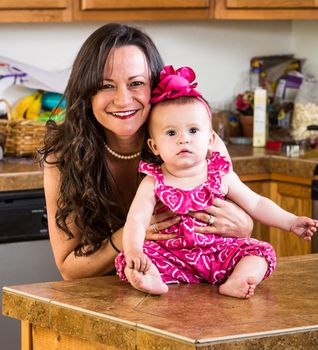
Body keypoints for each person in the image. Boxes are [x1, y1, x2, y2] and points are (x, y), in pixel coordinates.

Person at [39, 23, 253, 281]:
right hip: (106, 297)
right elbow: (69, 269)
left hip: (193, 292)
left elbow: (237, 227)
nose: (123, 99)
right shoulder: (64, 156)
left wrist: (245, 226)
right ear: (87, 93)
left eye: (136, 83)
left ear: (155, 86)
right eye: (106, 86)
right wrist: (131, 233)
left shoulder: (198, 144)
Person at [115, 65, 317, 298]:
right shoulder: (153, 181)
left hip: (218, 253)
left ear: (211, 139)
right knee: (130, 260)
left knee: (260, 252)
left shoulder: (220, 173)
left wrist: (290, 221)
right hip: (171, 256)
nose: (183, 140)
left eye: (193, 130)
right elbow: (137, 221)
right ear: (155, 146)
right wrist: (134, 250)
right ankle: (150, 278)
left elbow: (257, 203)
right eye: (171, 133)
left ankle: (238, 279)